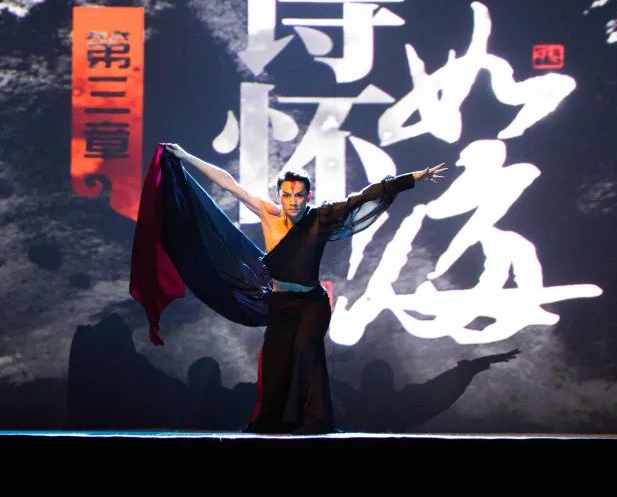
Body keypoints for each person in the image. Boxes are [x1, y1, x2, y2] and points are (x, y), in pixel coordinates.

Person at [160, 143, 446, 434]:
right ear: (279, 196)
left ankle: (314, 420)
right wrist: (186, 155)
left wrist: (413, 178)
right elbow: (230, 185)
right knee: (275, 364)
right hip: (280, 305)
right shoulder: (269, 215)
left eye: (298, 195)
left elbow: (364, 197)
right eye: (287, 195)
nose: (293, 201)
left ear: (308, 196)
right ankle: (273, 422)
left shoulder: (320, 218)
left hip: (312, 304)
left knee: (305, 355)